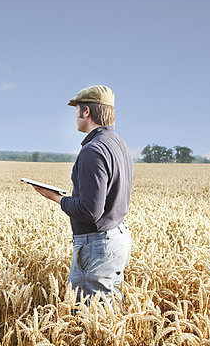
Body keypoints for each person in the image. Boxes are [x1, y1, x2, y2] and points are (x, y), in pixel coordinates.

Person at [31, 85, 134, 306]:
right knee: (107, 313)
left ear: (86, 112)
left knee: (88, 316)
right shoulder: (119, 144)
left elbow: (90, 211)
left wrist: (55, 197)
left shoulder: (92, 150)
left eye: (77, 109)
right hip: (117, 236)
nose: (75, 116)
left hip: (97, 244)